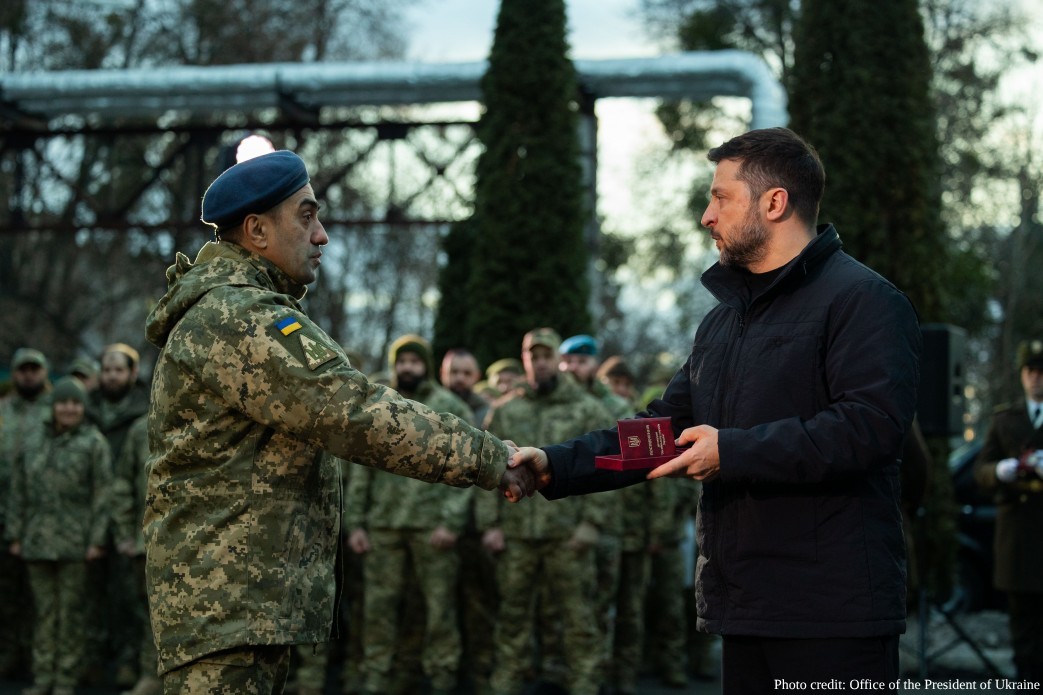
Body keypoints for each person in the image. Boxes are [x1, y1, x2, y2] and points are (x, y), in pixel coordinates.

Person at [513, 127, 922, 692]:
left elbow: (870, 428)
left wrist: (733, 451)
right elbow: (662, 432)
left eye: (720, 197)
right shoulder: (724, 321)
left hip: (833, 616)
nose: (707, 215)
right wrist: (555, 465)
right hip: (745, 605)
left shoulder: (865, 301)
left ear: (774, 203)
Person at [143, 149, 534, 695]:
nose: (321, 235)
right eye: (307, 216)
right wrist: (490, 458)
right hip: (226, 607)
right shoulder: (240, 317)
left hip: (235, 604)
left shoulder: (236, 310)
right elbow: (353, 412)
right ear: (256, 230)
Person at [477, 328, 615, 695]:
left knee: (578, 619)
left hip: (568, 535)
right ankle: (505, 685)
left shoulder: (587, 409)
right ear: (525, 360)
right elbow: (485, 469)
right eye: (532, 356)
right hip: (518, 533)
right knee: (512, 618)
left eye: (546, 356)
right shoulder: (507, 409)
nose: (539, 363)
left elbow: (607, 465)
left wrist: (591, 523)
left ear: (558, 359)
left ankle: (584, 685)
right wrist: (489, 524)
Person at [346, 334, 475, 695]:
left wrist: (451, 522)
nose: (407, 368)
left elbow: (468, 469)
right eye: (401, 361)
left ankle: (441, 680)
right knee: (378, 612)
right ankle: (377, 681)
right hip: (383, 527)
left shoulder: (450, 409)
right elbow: (361, 467)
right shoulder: (380, 404)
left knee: (439, 613)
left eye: (414, 362)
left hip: (432, 529)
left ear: (427, 367)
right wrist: (356, 523)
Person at [5, 376, 113, 695]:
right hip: (37, 540)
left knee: (70, 614)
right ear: (53, 407)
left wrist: (96, 540)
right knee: (43, 614)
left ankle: (66, 678)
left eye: (75, 403)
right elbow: (19, 490)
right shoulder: (34, 442)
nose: (69, 408)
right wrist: (16, 534)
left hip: (76, 544)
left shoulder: (93, 443)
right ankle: (43, 677)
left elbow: (102, 495)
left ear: (83, 407)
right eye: (63, 403)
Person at [973, 338, 1043, 680]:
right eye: (1030, 371)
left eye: (1042, 372)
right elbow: (980, 470)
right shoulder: (1005, 419)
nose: (1036, 378)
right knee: (1023, 628)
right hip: (1019, 538)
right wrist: (1001, 470)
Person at [84, 342, 151, 687]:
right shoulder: (86, 408)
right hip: (90, 511)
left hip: (130, 512)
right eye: (107, 370)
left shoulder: (145, 411)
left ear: (132, 373)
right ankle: (92, 658)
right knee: (90, 591)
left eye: (118, 370)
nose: (111, 376)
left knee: (131, 596)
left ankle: (129, 662)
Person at [0, 347, 52, 680]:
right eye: (23, 369)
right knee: (6, 593)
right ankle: (7, 654)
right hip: (4, 510)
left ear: (44, 372)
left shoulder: (55, 410)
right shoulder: (3, 410)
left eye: (34, 369)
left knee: (38, 596)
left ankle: (37, 660)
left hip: (42, 516)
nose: (28, 375)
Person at [440, 347, 490, 426]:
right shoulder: (425, 405)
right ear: (442, 373)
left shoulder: (488, 415)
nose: (460, 378)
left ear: (477, 376)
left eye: (467, 373)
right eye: (454, 372)